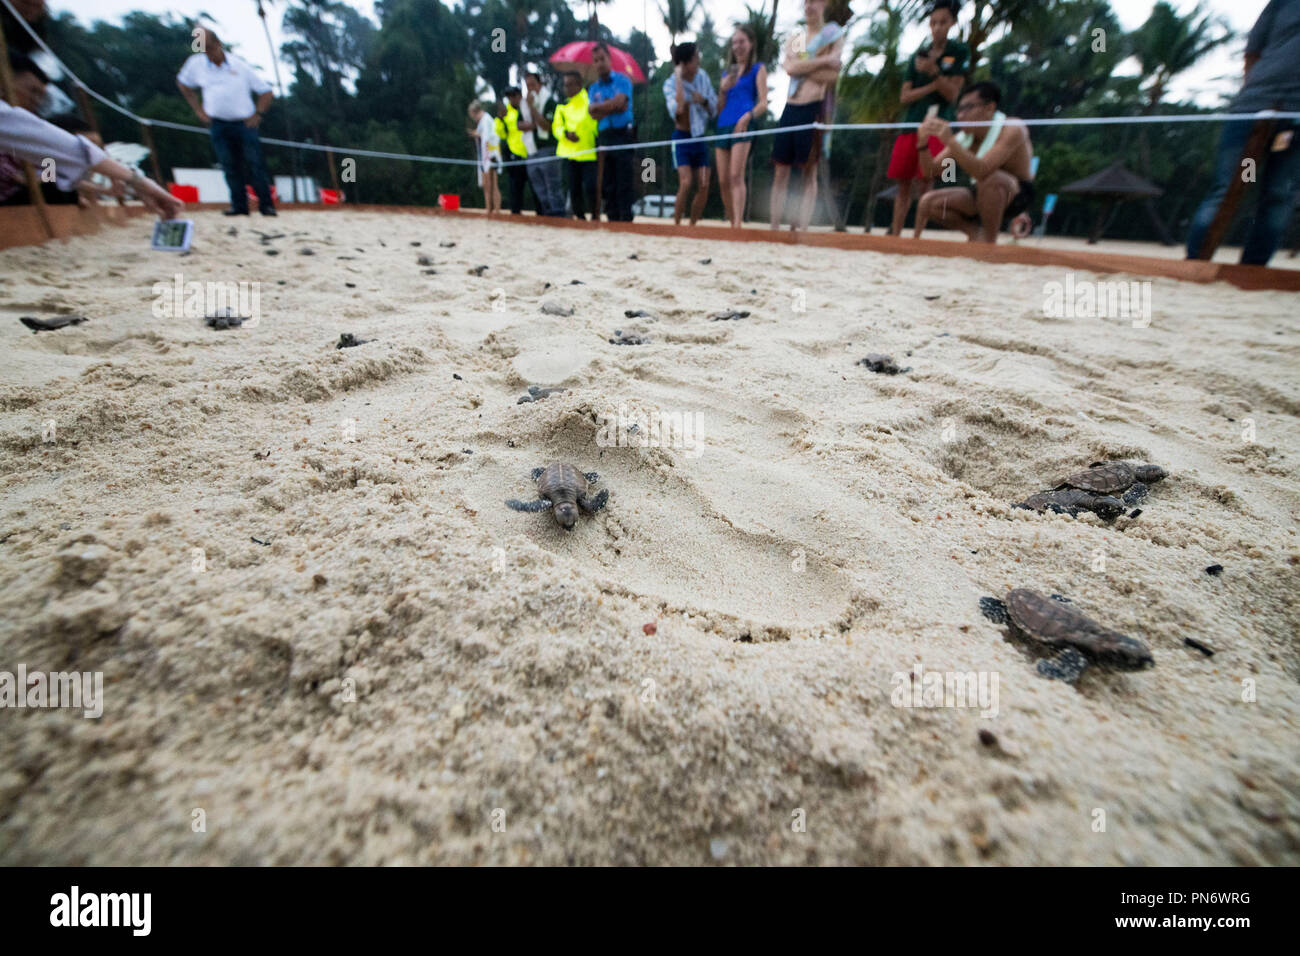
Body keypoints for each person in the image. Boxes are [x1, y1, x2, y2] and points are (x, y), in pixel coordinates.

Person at [1186, 0, 1300, 266]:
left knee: (1278, 194)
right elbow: (1253, 51)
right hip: (1253, 107)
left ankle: (1254, 268)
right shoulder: (1282, 3)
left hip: (1296, 121)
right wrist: (1256, 92)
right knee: (1230, 187)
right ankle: (1195, 263)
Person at [0, 100, 182, 219]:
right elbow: (46, 177)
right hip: (18, 204)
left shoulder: (39, 150)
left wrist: (111, 187)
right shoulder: (29, 153)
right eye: (34, 93)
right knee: (54, 187)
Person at [914, 81, 1035, 243]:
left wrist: (949, 140)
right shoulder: (963, 138)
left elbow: (983, 170)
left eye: (968, 107)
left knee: (993, 179)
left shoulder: (1013, 128)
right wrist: (922, 143)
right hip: (980, 190)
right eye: (959, 109)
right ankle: (976, 234)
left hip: (1016, 194)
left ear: (989, 108)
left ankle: (988, 243)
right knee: (928, 202)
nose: (960, 115)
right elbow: (931, 171)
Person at [176, 27, 277, 217]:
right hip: (218, 124)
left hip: (245, 124)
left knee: (256, 164)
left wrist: (258, 115)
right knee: (229, 165)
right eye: (202, 48)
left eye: (209, 47)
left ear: (218, 44)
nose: (207, 52)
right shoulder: (195, 64)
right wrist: (198, 110)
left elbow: (266, 91)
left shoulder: (240, 66)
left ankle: (267, 206)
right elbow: (183, 84)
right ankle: (239, 206)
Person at [887, 0, 967, 237]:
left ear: (952, 23)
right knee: (902, 183)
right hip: (912, 124)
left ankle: (918, 236)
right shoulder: (917, 56)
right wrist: (934, 84)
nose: (937, 28)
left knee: (927, 182)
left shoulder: (959, 52)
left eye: (942, 22)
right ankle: (897, 234)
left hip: (938, 125)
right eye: (933, 23)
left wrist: (934, 72)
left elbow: (953, 94)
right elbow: (905, 96)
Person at [770, 0, 844, 232]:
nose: (808, 5)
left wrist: (805, 65)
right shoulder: (799, 36)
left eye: (814, 1)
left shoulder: (832, 33)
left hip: (814, 107)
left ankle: (801, 226)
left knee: (808, 170)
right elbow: (791, 69)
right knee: (781, 169)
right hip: (791, 106)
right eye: (806, 1)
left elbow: (832, 76)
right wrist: (823, 60)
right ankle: (774, 226)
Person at [715, 25, 767, 229]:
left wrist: (748, 116)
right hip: (723, 124)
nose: (737, 46)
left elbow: (763, 102)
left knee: (736, 175)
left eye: (742, 41)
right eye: (734, 42)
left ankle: (737, 224)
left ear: (751, 43)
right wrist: (722, 89)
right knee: (722, 180)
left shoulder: (758, 68)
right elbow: (719, 107)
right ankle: (730, 221)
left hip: (743, 124)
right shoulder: (726, 73)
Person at [663, 41, 717, 227]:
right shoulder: (670, 84)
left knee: (703, 185)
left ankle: (692, 226)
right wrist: (678, 78)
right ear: (685, 63)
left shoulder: (702, 77)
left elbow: (714, 109)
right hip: (681, 138)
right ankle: (677, 226)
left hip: (699, 137)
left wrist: (702, 101)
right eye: (695, 59)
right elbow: (677, 112)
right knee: (685, 183)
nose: (699, 62)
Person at [586, 43, 636, 222]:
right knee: (607, 179)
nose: (599, 63)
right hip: (605, 135)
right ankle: (612, 217)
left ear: (609, 59)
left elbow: (622, 104)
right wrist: (612, 105)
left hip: (624, 134)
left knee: (624, 177)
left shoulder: (623, 80)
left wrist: (601, 108)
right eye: (596, 60)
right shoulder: (593, 88)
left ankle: (626, 217)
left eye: (602, 59)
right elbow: (592, 113)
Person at [553, 71, 598, 219]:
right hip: (570, 153)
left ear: (579, 84)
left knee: (591, 187)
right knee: (573, 188)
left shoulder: (591, 101)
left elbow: (595, 125)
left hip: (588, 152)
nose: (567, 88)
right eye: (565, 85)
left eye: (570, 85)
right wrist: (566, 134)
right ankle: (580, 218)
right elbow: (556, 128)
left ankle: (595, 215)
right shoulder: (562, 106)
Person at [522, 71, 566, 217]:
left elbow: (546, 125)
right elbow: (519, 125)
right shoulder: (524, 103)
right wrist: (534, 123)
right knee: (538, 186)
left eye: (533, 84)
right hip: (531, 149)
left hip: (548, 148)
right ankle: (547, 214)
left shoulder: (549, 101)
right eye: (527, 86)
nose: (530, 88)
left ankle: (558, 214)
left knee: (552, 184)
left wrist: (532, 109)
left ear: (540, 84)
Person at [501, 87, 538, 215]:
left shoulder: (527, 108)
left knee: (536, 187)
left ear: (519, 96)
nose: (512, 99)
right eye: (509, 97)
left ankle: (541, 213)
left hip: (530, 152)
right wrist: (500, 120)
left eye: (514, 96)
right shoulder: (507, 112)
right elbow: (501, 134)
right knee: (515, 188)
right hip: (514, 154)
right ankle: (515, 214)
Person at [467, 100, 501, 215]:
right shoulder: (485, 120)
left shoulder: (485, 119)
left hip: (490, 155)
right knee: (489, 184)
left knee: (491, 184)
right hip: (489, 154)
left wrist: (476, 134)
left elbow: (486, 137)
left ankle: (493, 210)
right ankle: (491, 209)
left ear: (473, 112)